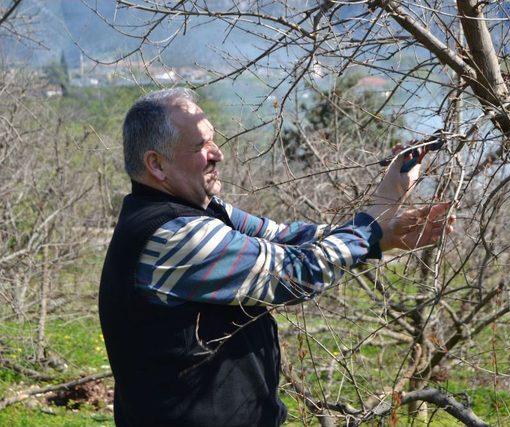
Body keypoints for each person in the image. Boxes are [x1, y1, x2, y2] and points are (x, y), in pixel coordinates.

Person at [99, 88, 455, 427]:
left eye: (212, 139)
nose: (217, 153)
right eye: (200, 145)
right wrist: (376, 217)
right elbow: (296, 272)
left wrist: (381, 229)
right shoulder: (172, 235)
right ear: (157, 165)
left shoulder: (203, 211)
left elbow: (286, 238)